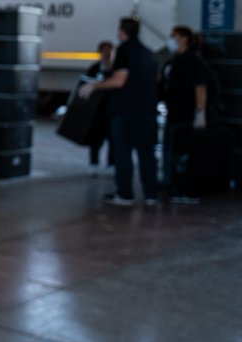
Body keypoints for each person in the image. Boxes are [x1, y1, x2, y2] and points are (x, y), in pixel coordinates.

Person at [79, 17, 159, 206]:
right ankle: (151, 195)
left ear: (122, 31)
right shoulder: (149, 53)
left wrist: (95, 85)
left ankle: (125, 194)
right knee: (146, 154)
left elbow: (119, 80)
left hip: (126, 112)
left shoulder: (124, 50)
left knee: (123, 153)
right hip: (147, 112)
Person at [159, 25, 208, 203]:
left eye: (175, 36)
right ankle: (173, 185)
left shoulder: (192, 60)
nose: (171, 39)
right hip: (173, 111)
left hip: (185, 113)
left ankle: (186, 189)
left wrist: (200, 111)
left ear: (184, 38)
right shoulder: (173, 60)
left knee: (183, 152)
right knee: (172, 150)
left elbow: (200, 87)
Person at [84, 40, 115, 175]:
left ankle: (111, 163)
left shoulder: (116, 70)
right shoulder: (94, 68)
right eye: (104, 50)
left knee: (113, 138)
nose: (107, 53)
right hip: (97, 110)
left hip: (112, 108)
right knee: (95, 138)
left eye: (109, 50)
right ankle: (94, 163)